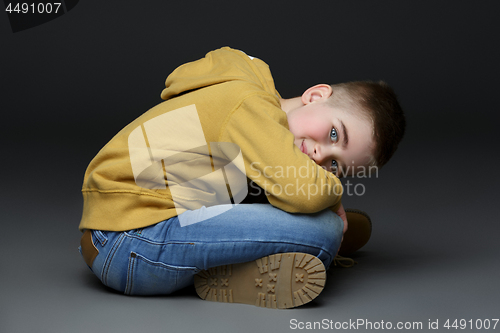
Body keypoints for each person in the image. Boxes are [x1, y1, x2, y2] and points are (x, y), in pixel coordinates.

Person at [79, 47, 405, 309]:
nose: (321, 155)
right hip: (129, 244)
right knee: (325, 228)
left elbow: (288, 184)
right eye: (334, 133)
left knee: (261, 183)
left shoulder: (249, 101)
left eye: (336, 166)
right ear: (316, 95)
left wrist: (321, 196)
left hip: (124, 224)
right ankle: (302, 245)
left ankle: (287, 240)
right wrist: (331, 200)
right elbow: (305, 190)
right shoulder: (252, 108)